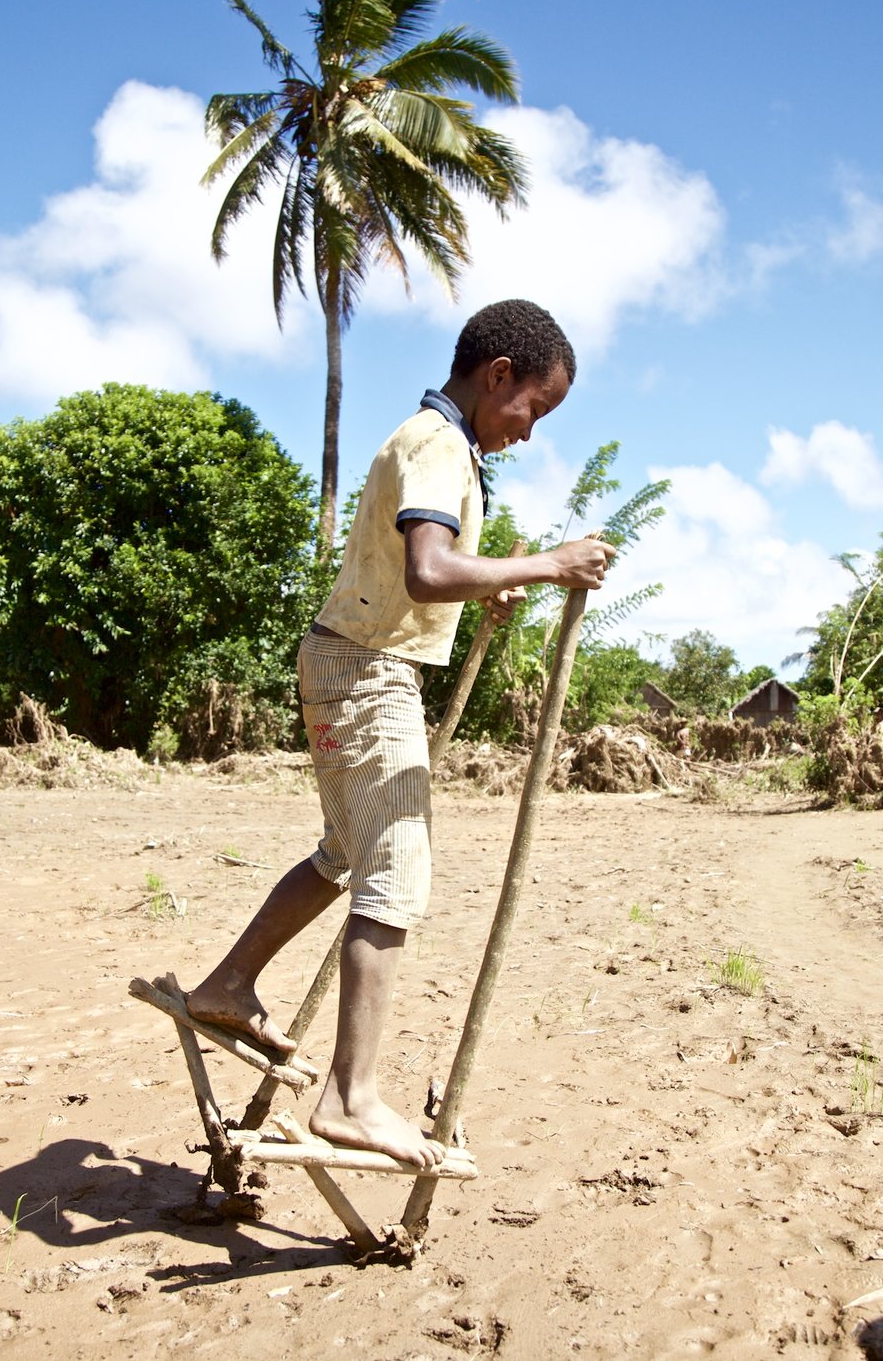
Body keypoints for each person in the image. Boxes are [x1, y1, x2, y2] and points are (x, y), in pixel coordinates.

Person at [186, 299, 615, 1168]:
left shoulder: (434, 442)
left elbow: (426, 571)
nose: (529, 434)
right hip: (366, 674)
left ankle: (228, 983)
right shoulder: (437, 443)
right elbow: (427, 571)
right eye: (534, 409)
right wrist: (549, 563)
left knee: (346, 853)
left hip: (350, 664)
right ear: (500, 377)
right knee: (398, 867)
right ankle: (350, 1098)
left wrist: (486, 587)